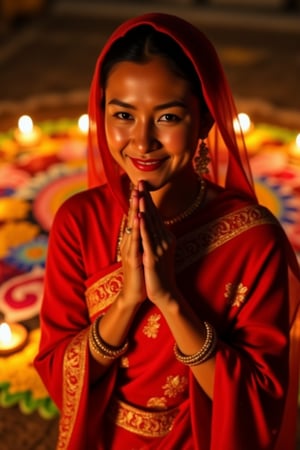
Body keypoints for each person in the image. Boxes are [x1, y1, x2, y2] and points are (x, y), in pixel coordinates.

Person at [34, 12, 300, 450]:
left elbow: (258, 399)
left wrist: (171, 301)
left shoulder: (253, 240)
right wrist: (126, 302)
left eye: (168, 118)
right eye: (123, 114)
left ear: (206, 121)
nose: (141, 143)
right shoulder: (78, 222)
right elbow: (59, 378)